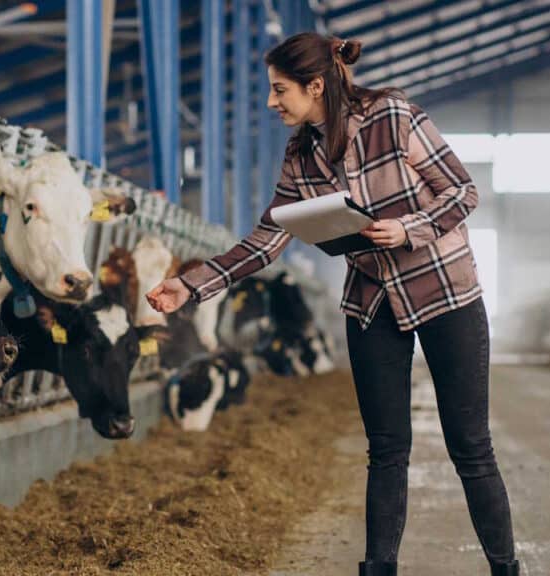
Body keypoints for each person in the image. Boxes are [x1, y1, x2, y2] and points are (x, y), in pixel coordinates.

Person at [145, 33, 519, 576]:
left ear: (315, 85)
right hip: (371, 303)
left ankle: (507, 569)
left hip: (444, 291)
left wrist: (408, 228)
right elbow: (266, 240)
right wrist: (192, 285)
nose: (272, 102)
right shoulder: (301, 154)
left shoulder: (394, 116)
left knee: (470, 447)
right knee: (387, 449)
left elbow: (461, 192)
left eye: (280, 90)